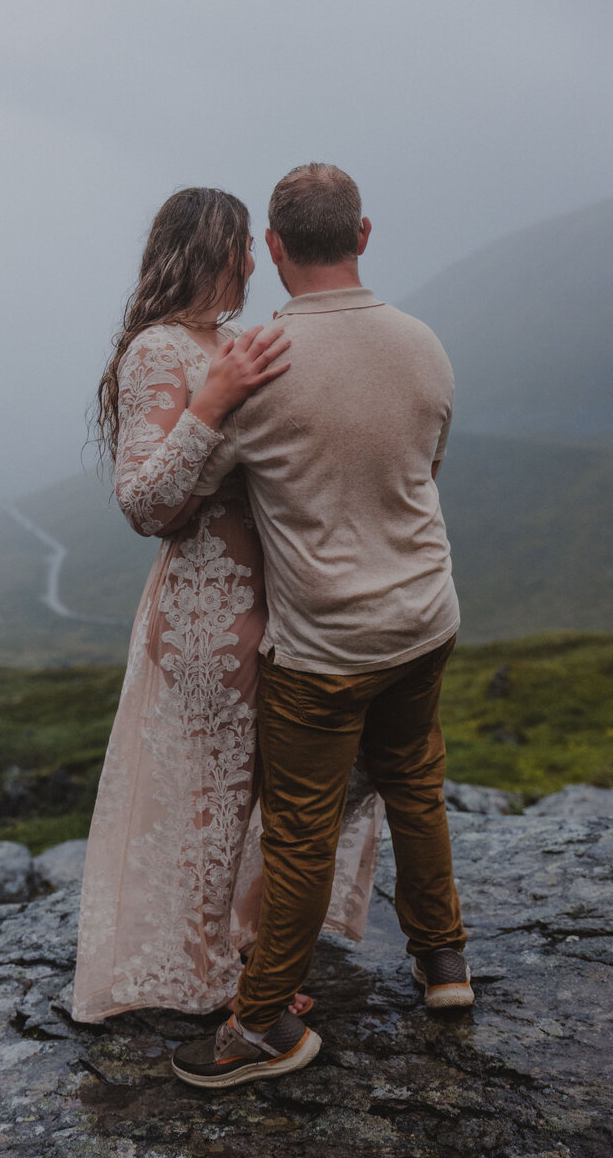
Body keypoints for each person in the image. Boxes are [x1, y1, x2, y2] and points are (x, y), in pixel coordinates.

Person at [171, 164, 473, 1090]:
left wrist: (207, 404)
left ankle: (259, 1025)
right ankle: (445, 967)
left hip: (324, 646)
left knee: (300, 834)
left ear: (272, 247)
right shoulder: (424, 344)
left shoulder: (257, 364)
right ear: (364, 234)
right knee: (415, 783)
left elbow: (181, 495)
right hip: (425, 616)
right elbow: (429, 462)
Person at [72, 187, 384, 1025]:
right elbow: (145, 504)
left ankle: (255, 947)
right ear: (215, 249)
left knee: (303, 788)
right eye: (244, 245)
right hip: (207, 614)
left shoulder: (242, 342)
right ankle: (209, 979)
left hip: (288, 603)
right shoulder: (156, 352)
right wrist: (211, 401)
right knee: (207, 803)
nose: (254, 262)